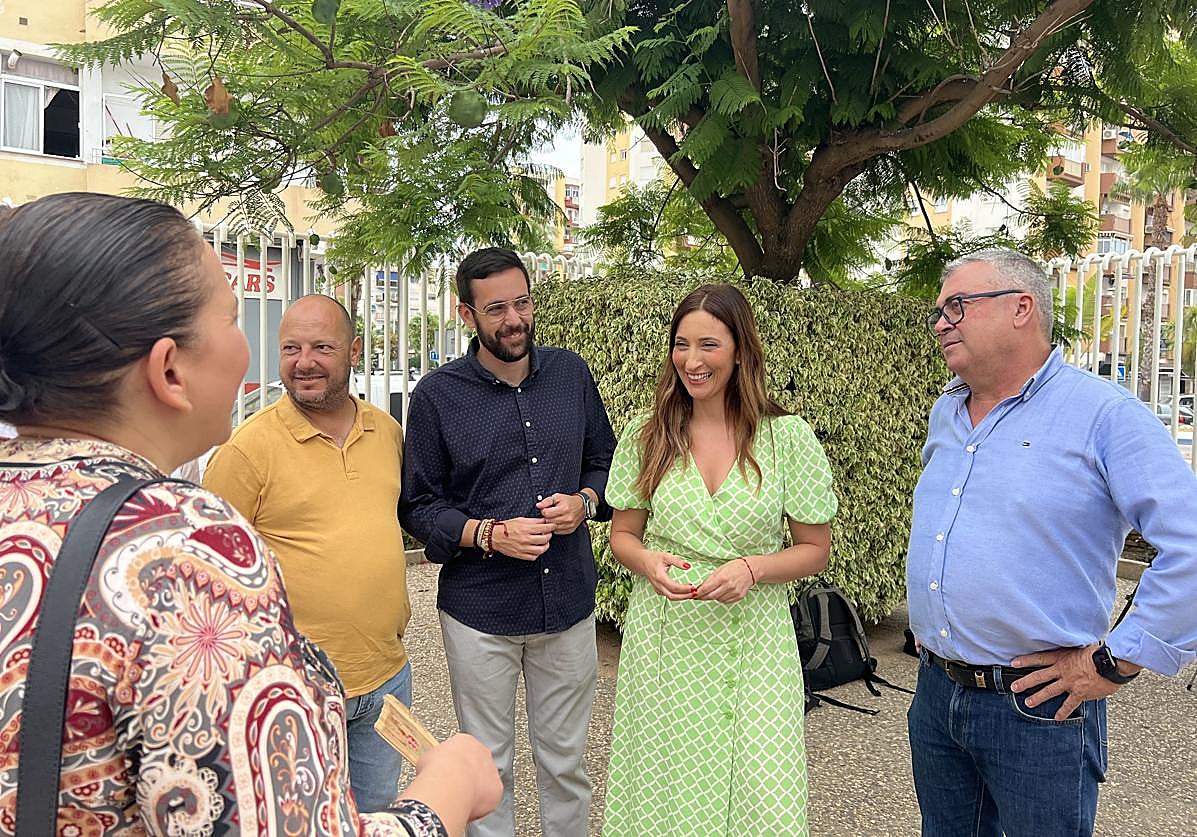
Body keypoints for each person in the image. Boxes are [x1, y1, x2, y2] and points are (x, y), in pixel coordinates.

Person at [0, 192, 500, 836]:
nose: (262, 357)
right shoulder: (188, 556)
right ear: (169, 370)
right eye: (234, 319)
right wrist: (445, 794)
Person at [907, 248, 1197, 837]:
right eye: (939, 310)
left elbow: (1190, 542)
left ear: (1021, 308)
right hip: (936, 694)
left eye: (957, 305)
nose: (940, 322)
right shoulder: (947, 413)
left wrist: (1118, 662)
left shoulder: (1103, 416)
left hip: (1040, 706)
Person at [602, 284, 837, 836]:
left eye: (708, 344)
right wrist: (648, 563)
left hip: (753, 641)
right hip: (667, 640)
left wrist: (753, 569)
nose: (692, 360)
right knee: (665, 788)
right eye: (681, 345)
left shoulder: (785, 439)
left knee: (763, 789)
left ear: (740, 350)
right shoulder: (648, 435)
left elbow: (815, 549)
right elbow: (623, 536)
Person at [399, 246, 616, 837]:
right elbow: (418, 507)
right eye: (495, 309)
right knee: (487, 773)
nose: (514, 319)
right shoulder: (436, 396)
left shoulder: (571, 374)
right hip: (480, 613)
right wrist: (488, 534)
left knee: (567, 768)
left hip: (567, 605)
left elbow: (606, 463)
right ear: (466, 314)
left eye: (521, 303)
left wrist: (586, 503)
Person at [204, 293, 415, 812]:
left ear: (354, 352)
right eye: (291, 348)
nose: (304, 362)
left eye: (322, 346)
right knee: (299, 817)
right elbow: (209, 573)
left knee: (375, 813)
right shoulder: (247, 450)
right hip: (293, 687)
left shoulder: (386, 432)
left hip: (386, 675)